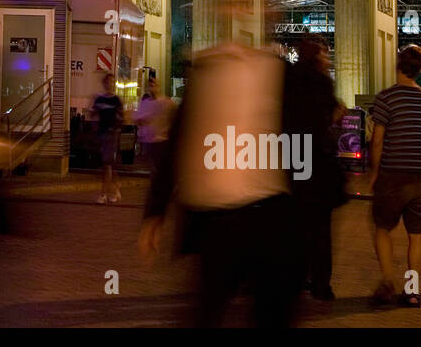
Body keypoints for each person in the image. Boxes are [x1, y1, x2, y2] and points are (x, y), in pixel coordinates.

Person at [140, 34, 300, 327]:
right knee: (207, 311)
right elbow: (179, 140)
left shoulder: (282, 75)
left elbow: (304, 146)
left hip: (270, 217)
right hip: (215, 220)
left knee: (269, 312)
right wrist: (155, 210)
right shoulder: (205, 72)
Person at [368, 45, 421, 308]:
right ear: (420, 70)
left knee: (383, 228)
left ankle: (387, 280)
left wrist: (374, 172)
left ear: (398, 66)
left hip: (392, 174)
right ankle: (412, 291)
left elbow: (377, 141)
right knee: (416, 234)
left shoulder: (386, 98)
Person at [281, 36, 346, 300]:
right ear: (317, 55)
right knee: (321, 230)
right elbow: (331, 113)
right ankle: (321, 284)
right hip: (318, 164)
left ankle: (296, 279)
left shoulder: (288, 80)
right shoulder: (321, 82)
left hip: (292, 160)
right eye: (325, 54)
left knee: (294, 227)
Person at [92, 73, 122, 203]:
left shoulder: (116, 100)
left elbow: (122, 115)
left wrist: (117, 127)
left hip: (112, 134)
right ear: (104, 84)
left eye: (112, 82)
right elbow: (93, 113)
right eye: (108, 82)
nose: (110, 84)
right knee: (108, 164)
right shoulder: (99, 99)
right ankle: (115, 189)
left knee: (107, 164)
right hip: (102, 134)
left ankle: (104, 193)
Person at [135, 73, 173, 173]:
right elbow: (138, 119)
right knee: (153, 168)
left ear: (159, 87)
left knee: (159, 167)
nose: (152, 87)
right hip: (150, 141)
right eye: (150, 85)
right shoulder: (145, 103)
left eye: (154, 85)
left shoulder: (166, 103)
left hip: (162, 140)